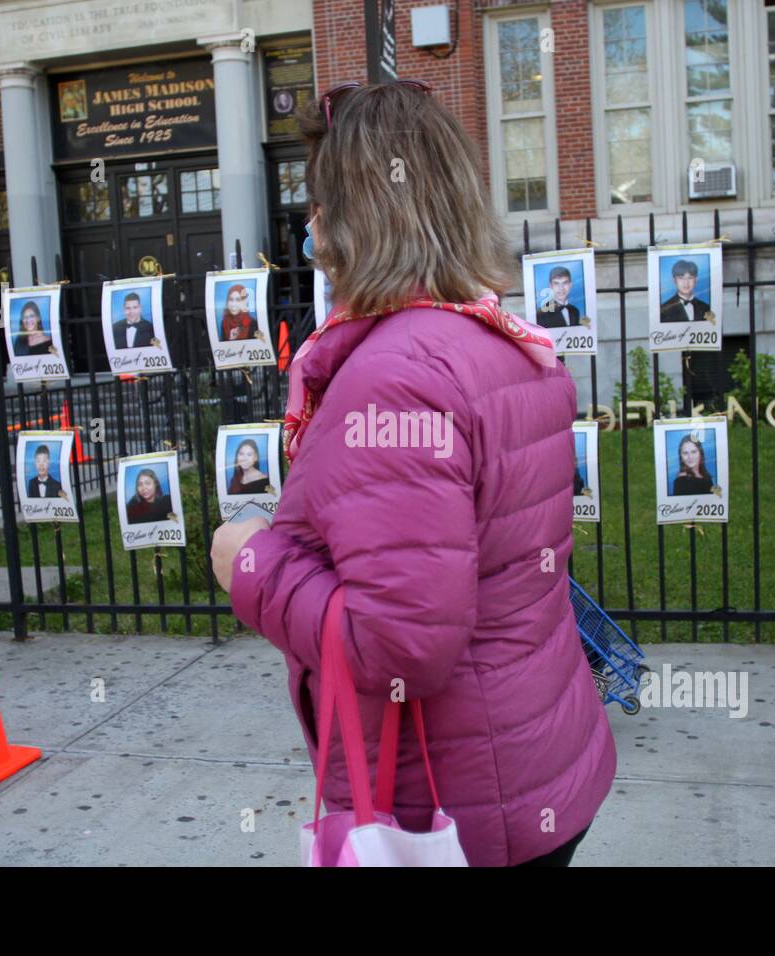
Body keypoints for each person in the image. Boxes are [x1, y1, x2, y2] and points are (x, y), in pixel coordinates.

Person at [208, 80, 614, 868]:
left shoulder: (396, 375)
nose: (309, 226)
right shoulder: (495, 339)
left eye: (320, 204)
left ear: (359, 218)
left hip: (461, 808)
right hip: (538, 766)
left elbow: (400, 645)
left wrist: (250, 563)